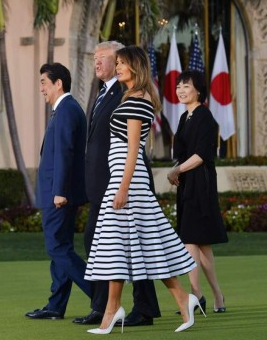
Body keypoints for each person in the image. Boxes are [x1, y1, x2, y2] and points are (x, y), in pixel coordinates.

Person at [85, 46, 202, 335]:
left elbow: (134, 149)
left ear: (135, 68)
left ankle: (113, 311)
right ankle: (179, 299)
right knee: (140, 247)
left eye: (123, 63)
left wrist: (122, 188)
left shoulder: (138, 100)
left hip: (129, 182)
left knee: (122, 245)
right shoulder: (130, 97)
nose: (118, 67)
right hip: (123, 180)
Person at [74, 41, 161, 327]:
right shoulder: (105, 93)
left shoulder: (128, 91)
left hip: (122, 182)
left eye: (104, 58)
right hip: (104, 182)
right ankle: (104, 307)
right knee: (103, 244)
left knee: (133, 246)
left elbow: (134, 146)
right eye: (94, 58)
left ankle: (137, 308)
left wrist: (122, 186)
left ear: (122, 62)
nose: (97, 63)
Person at [25, 62, 92, 320]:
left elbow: (65, 153)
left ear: (58, 83)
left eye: (44, 82)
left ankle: (101, 295)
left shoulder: (66, 110)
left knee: (57, 248)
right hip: (58, 192)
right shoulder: (64, 109)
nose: (40, 88)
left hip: (59, 194)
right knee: (61, 248)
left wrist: (60, 191)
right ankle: (56, 305)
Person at [166, 70, 228, 315]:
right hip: (186, 185)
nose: (181, 90)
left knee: (190, 239)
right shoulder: (184, 118)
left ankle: (195, 295)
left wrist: (177, 170)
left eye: (186, 86)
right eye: (179, 86)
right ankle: (217, 295)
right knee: (202, 247)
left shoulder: (205, 118)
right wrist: (177, 171)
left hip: (200, 187)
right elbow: (183, 153)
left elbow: (202, 155)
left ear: (199, 91)